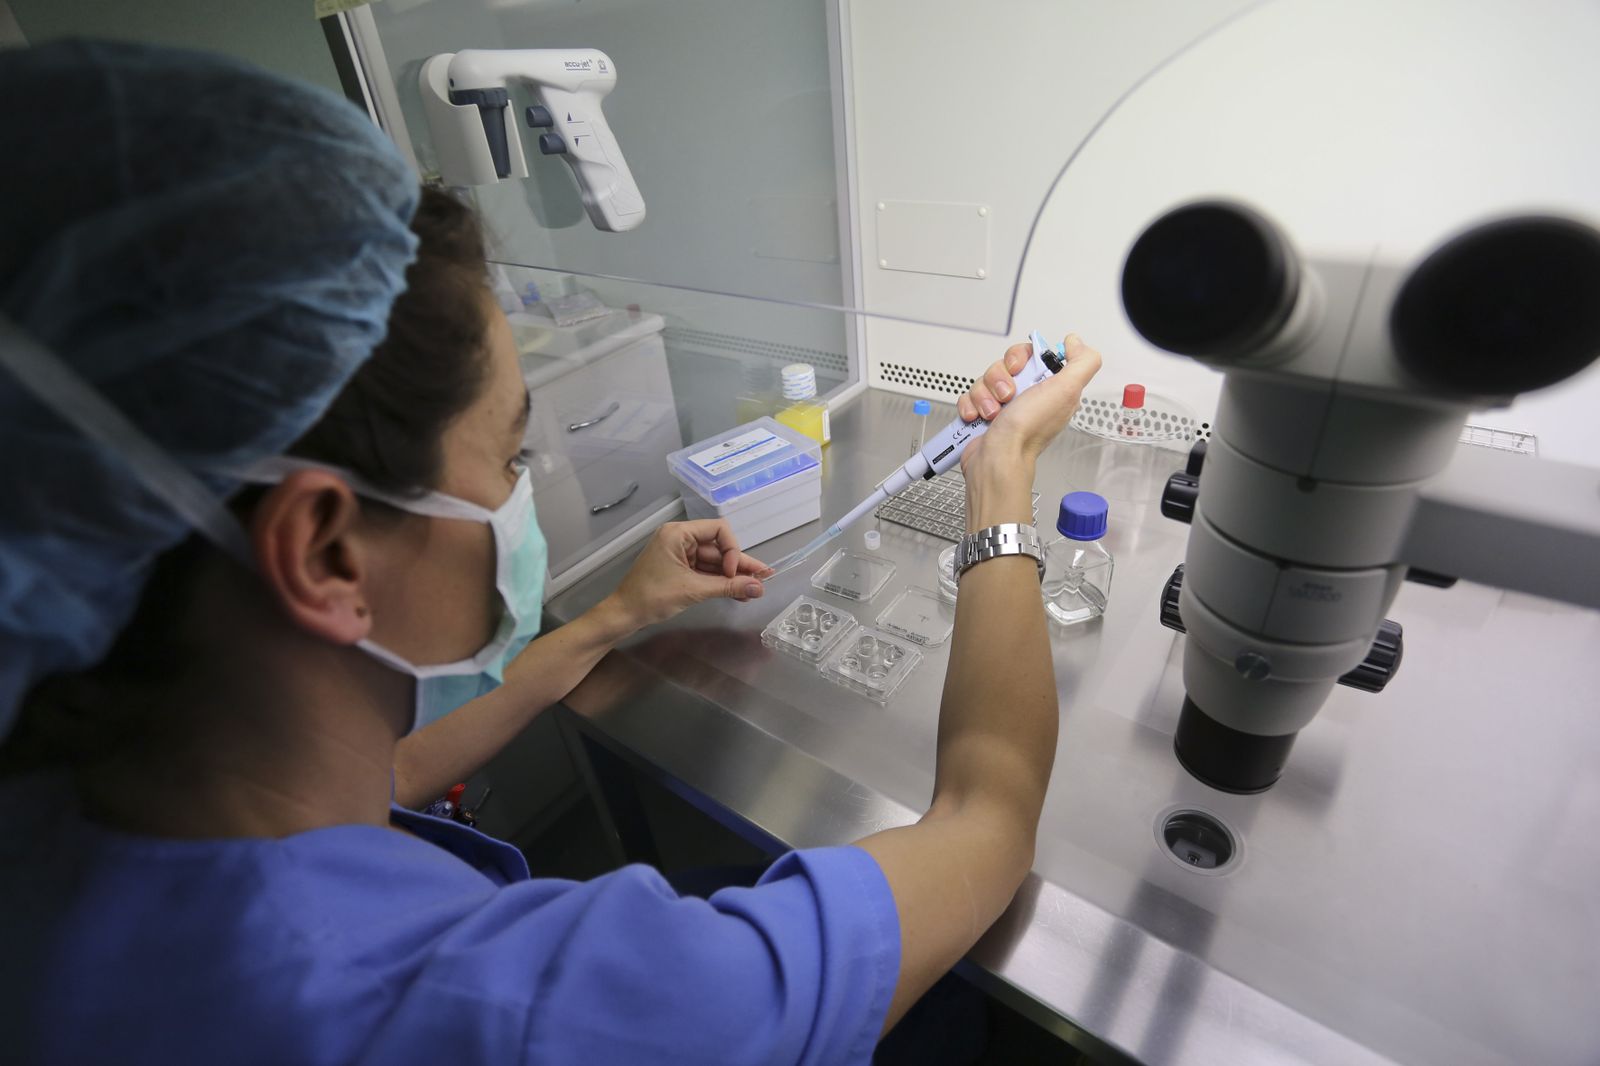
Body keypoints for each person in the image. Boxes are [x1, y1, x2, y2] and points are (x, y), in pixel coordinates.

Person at [0, 40, 1102, 1066]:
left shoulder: (80, 801)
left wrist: (612, 618)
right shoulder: (556, 1013)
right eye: (509, 449)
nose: (524, 492)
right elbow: (986, 818)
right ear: (325, 551)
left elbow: (376, 778)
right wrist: (999, 485)